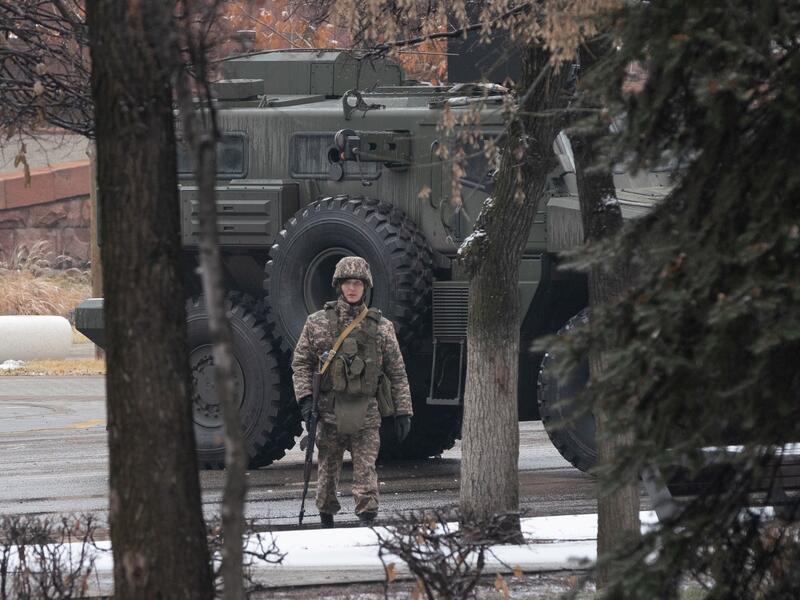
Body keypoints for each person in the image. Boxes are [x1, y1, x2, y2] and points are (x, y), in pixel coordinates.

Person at [292, 256, 413, 528]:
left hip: (366, 413)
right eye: (347, 282)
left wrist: (403, 410)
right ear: (338, 285)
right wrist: (305, 399)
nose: (352, 288)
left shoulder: (382, 327)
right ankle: (326, 521)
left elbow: (396, 372)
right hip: (328, 410)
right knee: (326, 474)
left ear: (366, 286)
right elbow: (300, 363)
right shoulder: (317, 323)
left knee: (366, 473)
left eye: (357, 283)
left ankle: (366, 522)